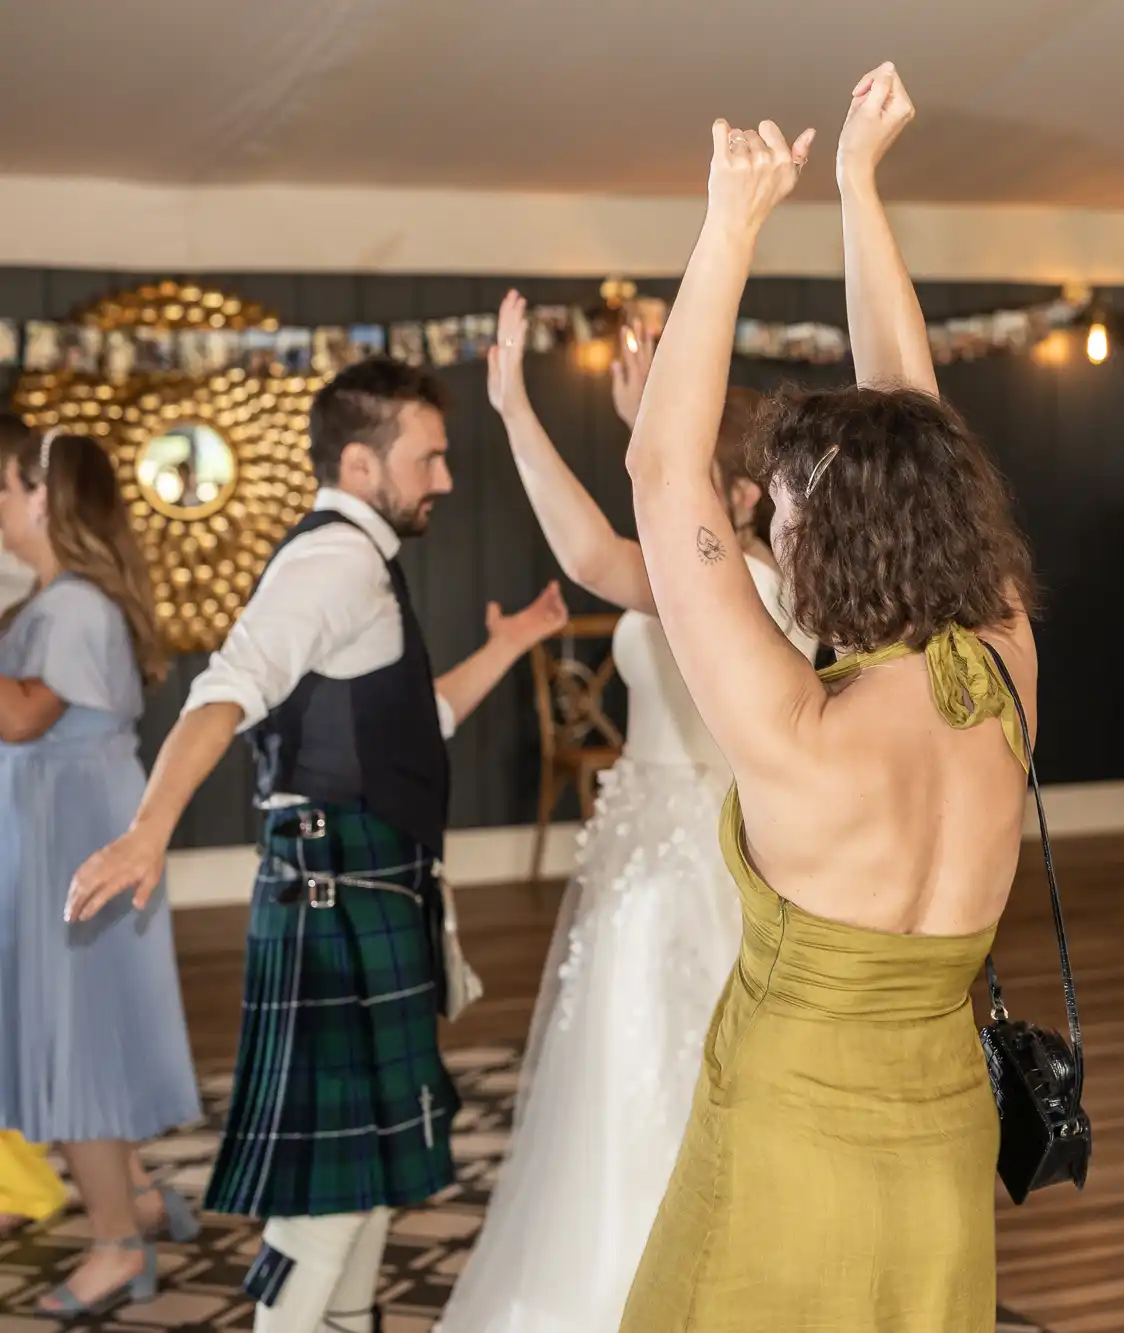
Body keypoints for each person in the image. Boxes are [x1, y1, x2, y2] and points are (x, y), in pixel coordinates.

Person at [617, 64, 1037, 1332]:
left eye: (784, 503)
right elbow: (921, 419)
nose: (769, 520)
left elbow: (660, 469)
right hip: (943, 1151)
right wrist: (858, 186)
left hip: (788, 1141)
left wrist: (728, 226)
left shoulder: (800, 731)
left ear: (830, 532)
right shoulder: (1006, 661)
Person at [66, 359, 569, 1333]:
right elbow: (224, 691)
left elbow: (405, 725)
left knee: (370, 1171)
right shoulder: (331, 562)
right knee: (334, 1192)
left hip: (361, 888)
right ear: (360, 460)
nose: (446, 478)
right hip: (334, 893)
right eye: (428, 457)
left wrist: (510, 647)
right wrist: (147, 831)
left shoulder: (359, 562)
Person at [435, 295, 815, 1333]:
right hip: (643, 852)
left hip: (697, 867)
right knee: (616, 1082)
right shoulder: (716, 566)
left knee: (663, 1085)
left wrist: (520, 410)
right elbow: (637, 527)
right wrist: (608, 415)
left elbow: (599, 553)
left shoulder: (742, 585)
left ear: (737, 490)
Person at [0, 425, 204, 1317]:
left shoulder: (76, 606)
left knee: (77, 1043)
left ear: (42, 497)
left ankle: (119, 1243)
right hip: (59, 826)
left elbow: (19, 719)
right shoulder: (53, 599)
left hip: (75, 836)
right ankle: (141, 1199)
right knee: (73, 1028)